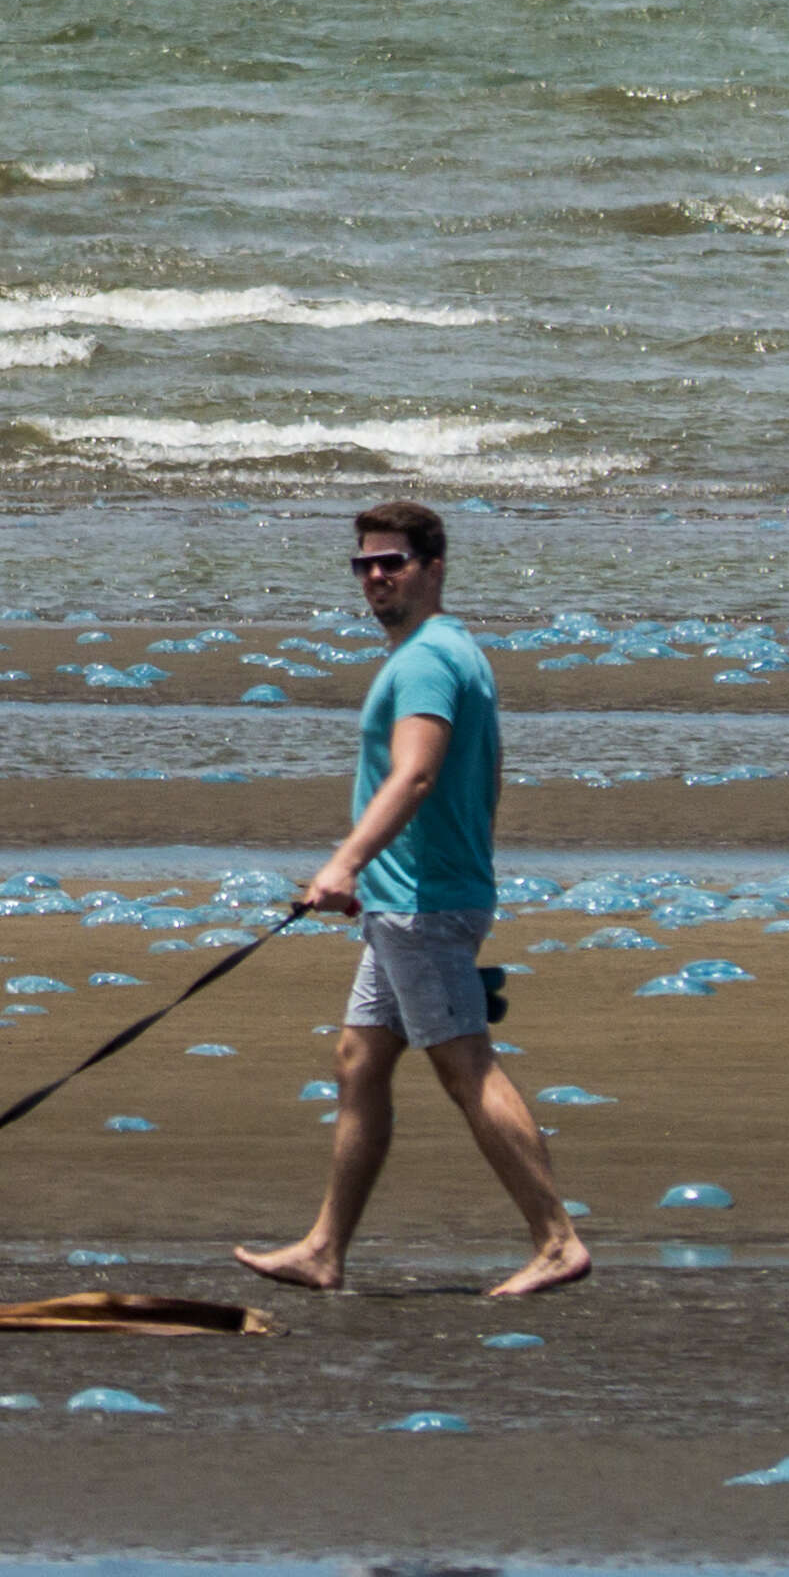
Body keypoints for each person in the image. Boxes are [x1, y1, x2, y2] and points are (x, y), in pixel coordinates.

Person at [236, 497, 590, 1302]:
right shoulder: (452, 650)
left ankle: (556, 1239)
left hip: (422, 907)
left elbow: (418, 772)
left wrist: (347, 866)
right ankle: (325, 1250)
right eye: (364, 565)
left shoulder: (427, 660)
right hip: (416, 899)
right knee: (360, 1061)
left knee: (466, 1066)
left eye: (392, 563)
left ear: (433, 568)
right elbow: (489, 776)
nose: (375, 579)